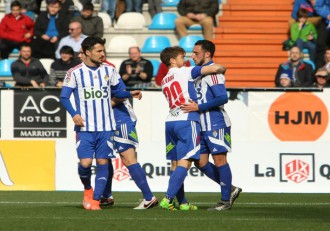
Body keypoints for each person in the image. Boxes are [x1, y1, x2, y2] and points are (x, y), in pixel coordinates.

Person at [60, 36, 142, 210]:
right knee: (85, 164)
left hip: (106, 126)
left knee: (103, 162)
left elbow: (119, 91)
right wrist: (74, 114)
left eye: (103, 50)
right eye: (99, 51)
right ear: (87, 52)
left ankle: (96, 200)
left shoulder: (109, 70)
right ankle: (88, 190)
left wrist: (130, 93)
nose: (102, 54)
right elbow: (64, 97)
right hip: (85, 127)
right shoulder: (74, 72)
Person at [158, 46, 226, 210]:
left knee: (175, 165)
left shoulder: (164, 80)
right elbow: (215, 68)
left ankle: (182, 203)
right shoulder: (185, 71)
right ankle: (168, 199)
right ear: (172, 60)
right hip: (187, 120)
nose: (185, 59)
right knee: (185, 162)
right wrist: (222, 68)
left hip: (170, 121)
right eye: (182, 57)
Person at [180, 40, 241, 211]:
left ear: (207, 54)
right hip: (202, 124)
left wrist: (198, 106)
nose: (192, 56)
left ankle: (225, 201)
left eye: (196, 53)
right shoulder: (200, 74)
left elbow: (223, 98)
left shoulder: (213, 73)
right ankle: (231, 189)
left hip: (216, 122)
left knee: (220, 160)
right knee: (200, 161)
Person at [313, 0, 330, 69]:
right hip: (326, 22)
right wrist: (327, 14)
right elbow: (317, 6)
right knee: (320, 45)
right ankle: (319, 71)